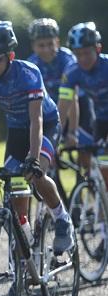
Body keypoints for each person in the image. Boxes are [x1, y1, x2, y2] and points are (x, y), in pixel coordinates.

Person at [0, 21, 74, 256]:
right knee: (16, 195)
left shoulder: (28, 73)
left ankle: (62, 218)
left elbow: (37, 120)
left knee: (37, 173)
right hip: (17, 131)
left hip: (46, 124)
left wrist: (33, 157)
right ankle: (24, 262)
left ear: (10, 55)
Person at [28, 18, 95, 167]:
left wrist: (72, 132)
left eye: (50, 44)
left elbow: (72, 99)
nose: (46, 49)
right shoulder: (31, 65)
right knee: (47, 153)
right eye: (41, 45)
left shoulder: (68, 59)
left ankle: (87, 181)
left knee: (84, 152)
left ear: (57, 42)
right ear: (33, 46)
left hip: (78, 107)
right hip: (51, 111)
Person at [58, 22, 108, 183]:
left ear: (98, 49)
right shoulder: (72, 71)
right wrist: (55, 136)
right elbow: (63, 106)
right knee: (100, 165)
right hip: (100, 119)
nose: (83, 59)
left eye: (87, 53)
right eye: (78, 54)